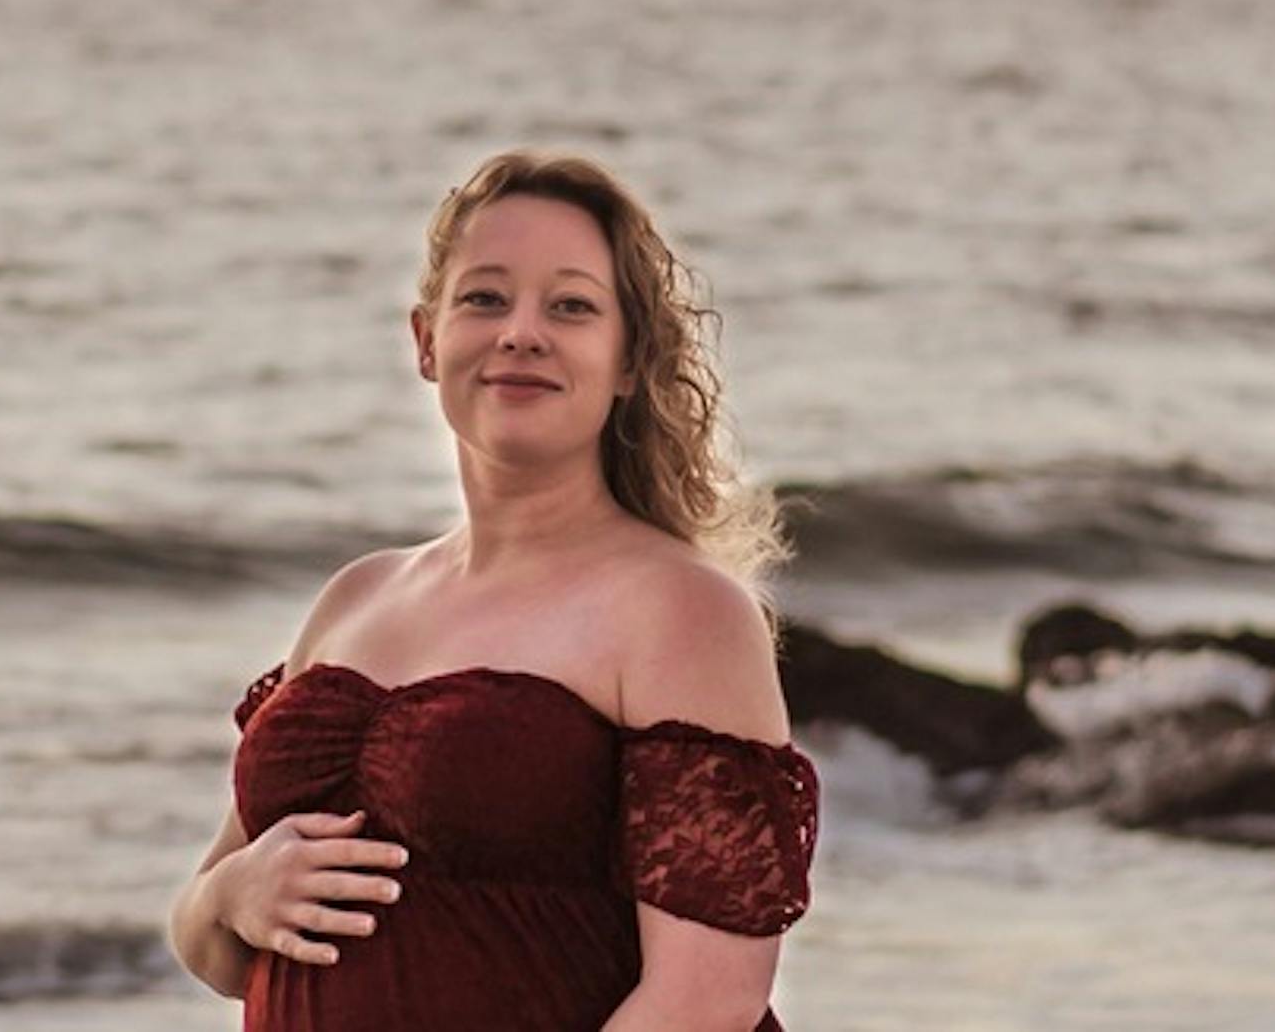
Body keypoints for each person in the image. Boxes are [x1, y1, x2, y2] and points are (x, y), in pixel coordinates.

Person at [165, 150, 820, 1030]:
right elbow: (211, 944)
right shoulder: (356, 597)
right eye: (484, 296)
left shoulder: (679, 610)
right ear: (427, 340)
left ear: (629, 362)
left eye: (572, 306)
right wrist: (232, 895)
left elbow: (705, 999)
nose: (521, 331)